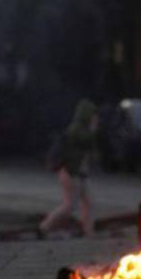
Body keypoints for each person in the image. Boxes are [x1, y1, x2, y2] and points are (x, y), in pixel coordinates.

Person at [40, 98, 98, 235]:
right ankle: (43, 228)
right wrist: (94, 128)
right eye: (93, 114)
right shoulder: (77, 129)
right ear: (87, 114)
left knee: (88, 203)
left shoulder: (80, 128)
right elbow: (88, 141)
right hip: (71, 173)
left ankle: (88, 232)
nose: (95, 117)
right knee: (69, 206)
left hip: (79, 174)